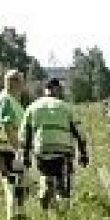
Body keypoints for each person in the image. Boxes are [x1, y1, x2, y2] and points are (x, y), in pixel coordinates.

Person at [19, 78, 88, 212]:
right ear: (56, 90)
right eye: (60, 89)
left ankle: (45, 201)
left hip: (42, 149)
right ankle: (63, 210)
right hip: (63, 151)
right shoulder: (65, 107)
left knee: (46, 175)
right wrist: (83, 153)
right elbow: (79, 132)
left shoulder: (33, 107)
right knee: (63, 181)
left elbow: (24, 134)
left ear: (45, 90)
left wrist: (25, 155)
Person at [0, 70, 27, 220]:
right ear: (16, 82)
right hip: (8, 149)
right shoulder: (6, 100)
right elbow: (8, 126)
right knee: (13, 184)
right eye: (21, 82)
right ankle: (14, 219)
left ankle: (20, 216)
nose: (23, 85)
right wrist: (18, 150)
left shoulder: (9, 99)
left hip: (8, 148)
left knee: (18, 183)